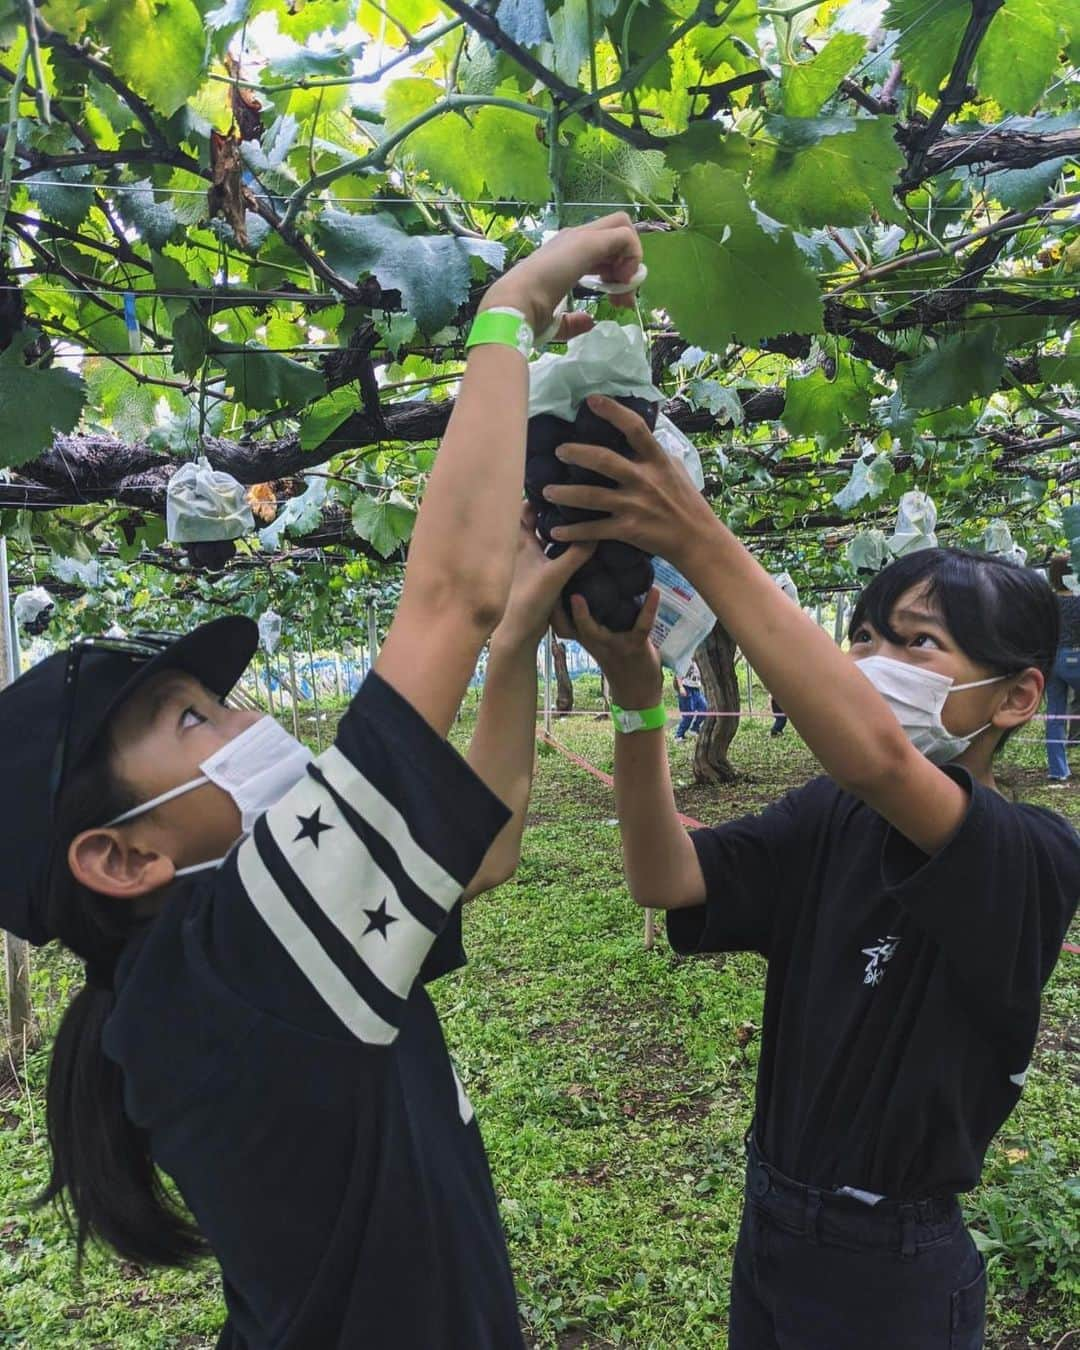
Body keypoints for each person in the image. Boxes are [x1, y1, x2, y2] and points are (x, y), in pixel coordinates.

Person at [0, 216, 642, 1349]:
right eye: (193, 719)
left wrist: (511, 655)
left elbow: (482, 855)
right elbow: (449, 593)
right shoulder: (233, 960)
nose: (247, 722)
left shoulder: (209, 971)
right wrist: (509, 307)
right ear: (120, 856)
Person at [541, 398, 1080, 1350]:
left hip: (894, 1260)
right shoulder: (827, 815)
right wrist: (636, 708)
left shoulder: (1030, 855)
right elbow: (664, 878)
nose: (874, 664)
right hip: (775, 1221)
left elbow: (878, 758)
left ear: (1017, 696)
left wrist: (695, 535)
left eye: (917, 643)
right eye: (863, 639)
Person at [1044, 553, 1080, 783]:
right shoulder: (1077, 601)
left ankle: (1058, 770)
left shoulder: (1047, 602)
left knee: (1055, 716)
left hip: (1052, 659)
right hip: (1075, 656)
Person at [673, 658, 707, 739]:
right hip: (687, 688)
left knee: (704, 708)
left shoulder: (698, 662)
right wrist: (681, 687)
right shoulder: (685, 660)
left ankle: (694, 729)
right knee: (688, 715)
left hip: (697, 690)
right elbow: (678, 674)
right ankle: (679, 735)